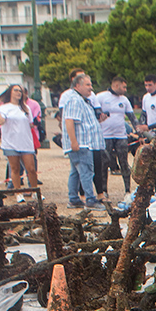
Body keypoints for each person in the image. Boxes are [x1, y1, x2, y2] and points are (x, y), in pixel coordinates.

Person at [61, 73, 104, 209]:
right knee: (86, 171)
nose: (91, 88)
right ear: (78, 85)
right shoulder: (75, 100)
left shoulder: (82, 99)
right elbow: (69, 120)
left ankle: (73, 199)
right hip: (81, 144)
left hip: (84, 143)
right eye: (88, 85)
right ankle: (90, 200)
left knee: (76, 171)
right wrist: (74, 142)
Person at [0, 85, 38, 190]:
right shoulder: (4, 108)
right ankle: (18, 192)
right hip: (10, 142)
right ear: (10, 93)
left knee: (31, 168)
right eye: (16, 90)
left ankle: (34, 190)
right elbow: (1, 121)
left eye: (20, 91)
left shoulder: (26, 108)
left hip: (25, 142)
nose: (18, 93)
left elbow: (30, 123)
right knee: (15, 168)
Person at [96, 76, 134, 195]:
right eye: (124, 87)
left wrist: (138, 129)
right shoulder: (101, 97)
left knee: (124, 163)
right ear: (116, 85)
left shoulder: (124, 100)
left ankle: (127, 190)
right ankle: (104, 190)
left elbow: (132, 117)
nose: (125, 89)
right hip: (105, 135)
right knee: (104, 163)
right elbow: (95, 113)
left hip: (120, 135)